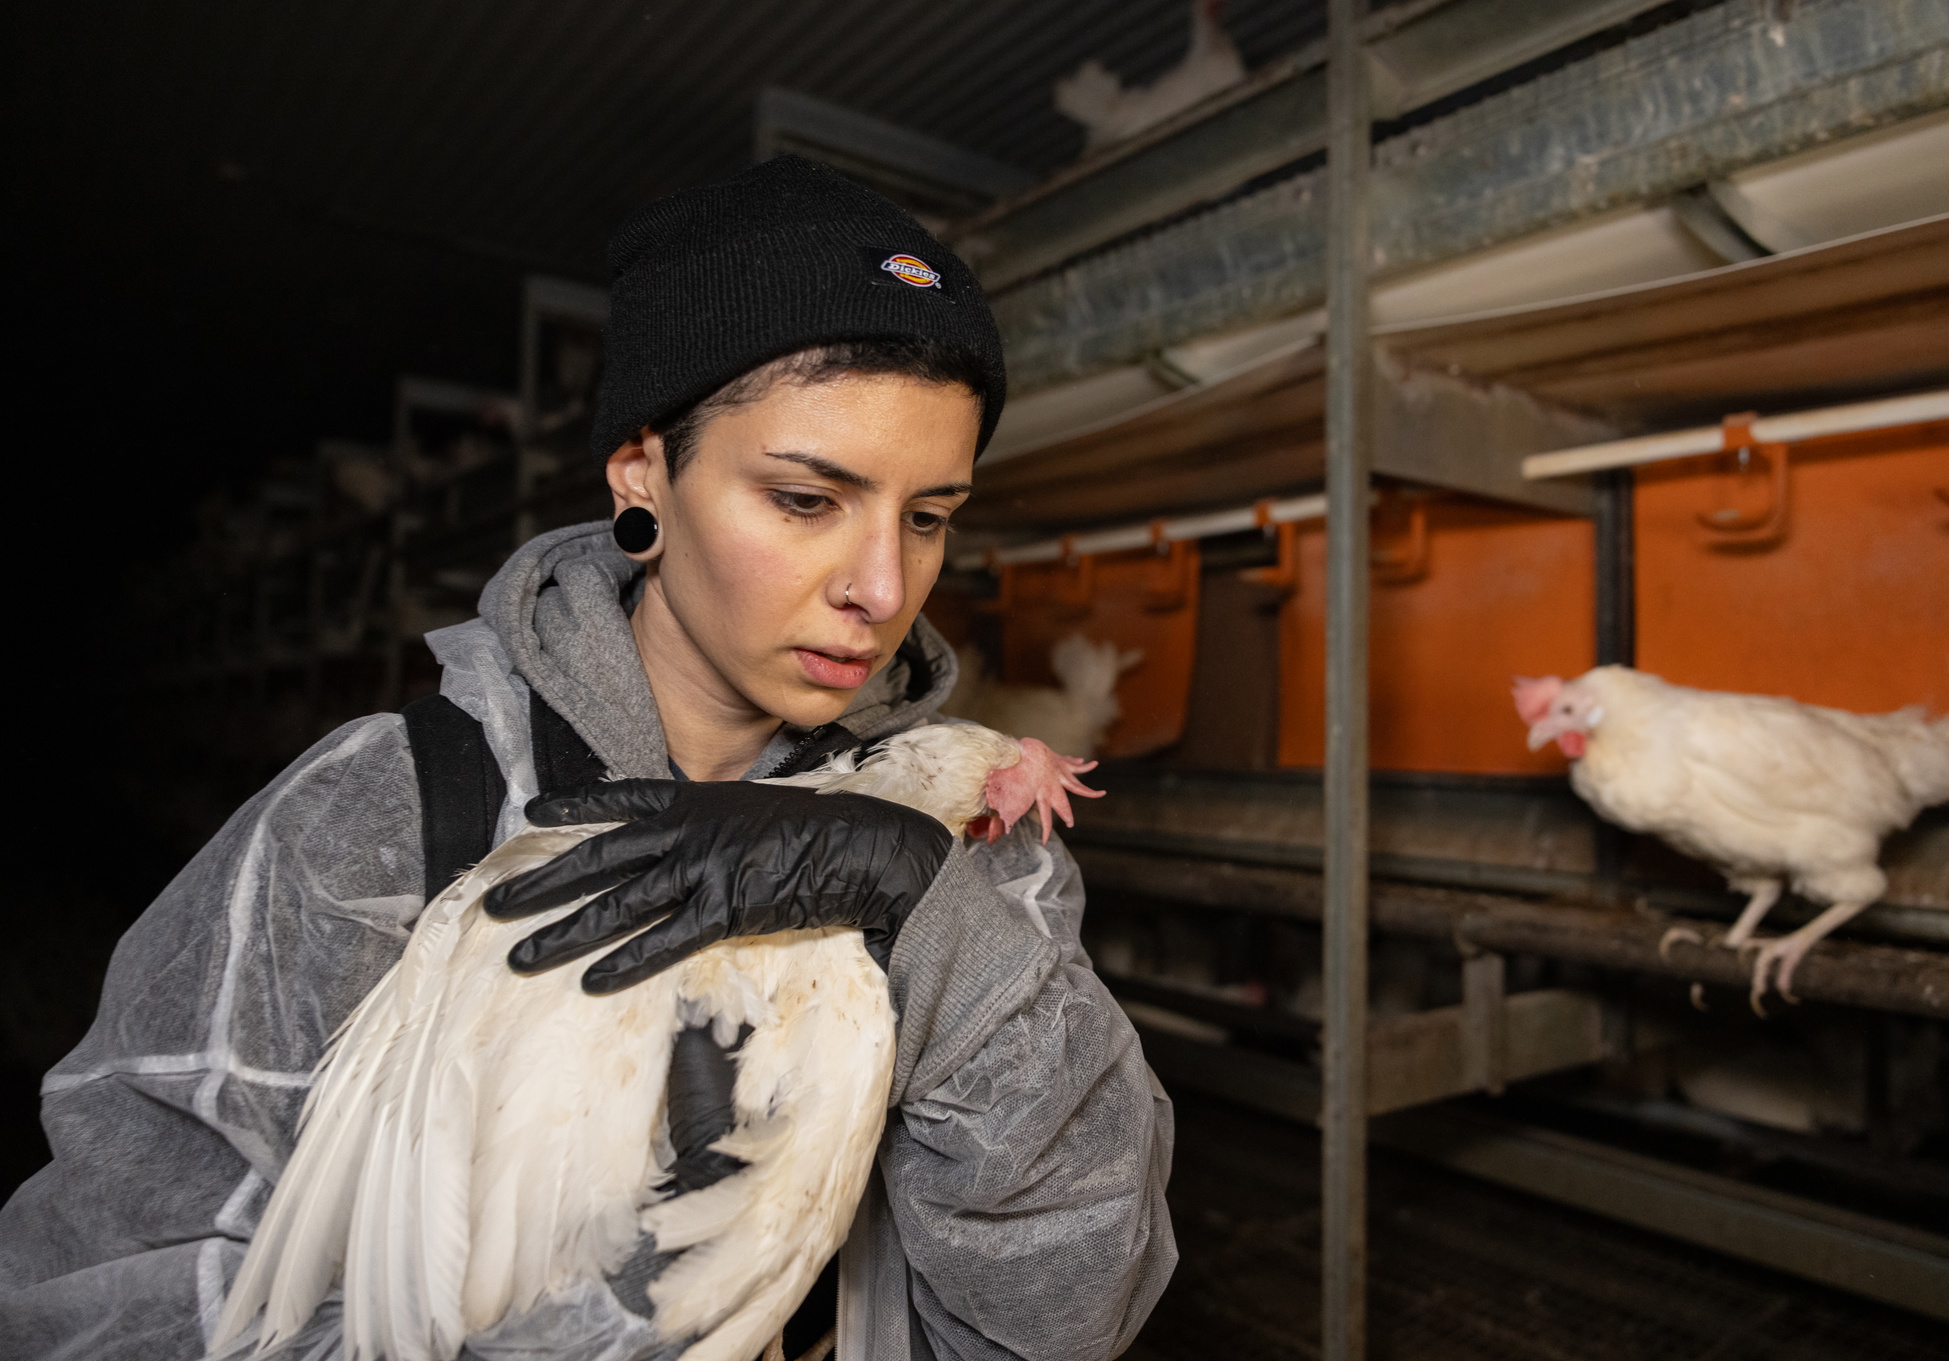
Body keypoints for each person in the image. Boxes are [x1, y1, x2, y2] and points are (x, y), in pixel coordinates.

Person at [0, 156, 1176, 1360]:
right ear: (642, 473)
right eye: (805, 498)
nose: (882, 587)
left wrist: (936, 924)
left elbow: (1065, 1311)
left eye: (928, 517)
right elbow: (105, 1294)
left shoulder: (972, 844)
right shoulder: (383, 816)